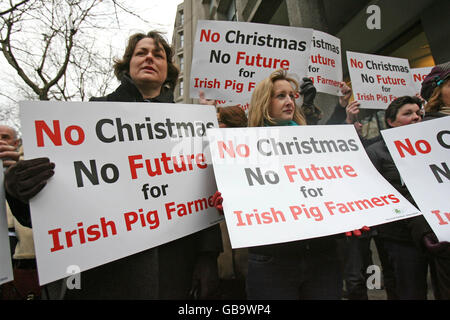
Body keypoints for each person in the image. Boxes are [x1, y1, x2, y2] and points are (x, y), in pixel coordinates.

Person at [4, 31, 222, 300]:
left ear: (168, 70)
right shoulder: (86, 117)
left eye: (158, 54)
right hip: (107, 275)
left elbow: (202, 195)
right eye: (141, 53)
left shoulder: (191, 125)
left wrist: (208, 256)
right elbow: (58, 203)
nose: (149, 58)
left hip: (175, 267)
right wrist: (18, 191)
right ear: (127, 64)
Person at [213, 69, 369, 300]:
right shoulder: (242, 147)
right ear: (264, 102)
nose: (289, 101)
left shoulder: (315, 143)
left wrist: (348, 214)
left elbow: (331, 186)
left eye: (292, 96)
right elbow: (246, 198)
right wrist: (230, 203)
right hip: (271, 261)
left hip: (321, 257)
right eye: (280, 96)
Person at [365, 96, 437, 299]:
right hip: (401, 237)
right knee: (409, 290)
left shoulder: (433, 146)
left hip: (436, 231)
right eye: (407, 113)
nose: (416, 117)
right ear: (390, 121)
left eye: (418, 113)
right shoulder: (376, 152)